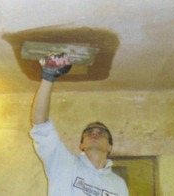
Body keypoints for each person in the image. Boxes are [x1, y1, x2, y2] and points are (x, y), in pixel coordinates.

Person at [30, 53, 129, 196]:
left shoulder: (118, 184)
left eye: (101, 133)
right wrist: (48, 77)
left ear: (110, 147)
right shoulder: (63, 164)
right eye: (89, 132)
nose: (94, 134)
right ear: (81, 145)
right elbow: (40, 125)